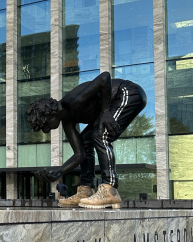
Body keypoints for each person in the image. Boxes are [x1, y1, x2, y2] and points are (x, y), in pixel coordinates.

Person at [25, 72, 146, 208]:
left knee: (100, 134)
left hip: (128, 93)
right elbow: (80, 154)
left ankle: (110, 189)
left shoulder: (74, 101)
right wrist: (60, 171)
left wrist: (106, 112)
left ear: (49, 115)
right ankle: (86, 190)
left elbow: (104, 78)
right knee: (86, 141)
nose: (47, 130)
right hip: (114, 103)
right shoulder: (67, 121)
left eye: (45, 126)